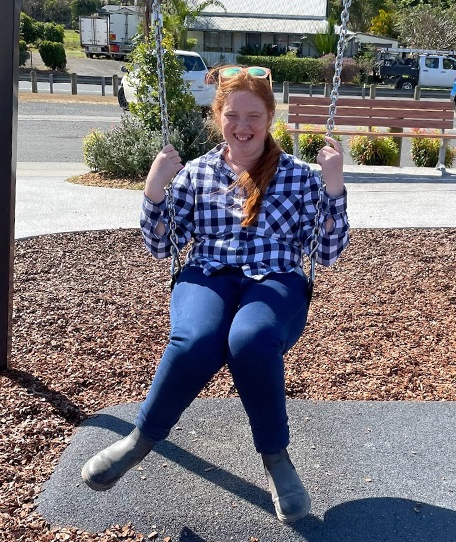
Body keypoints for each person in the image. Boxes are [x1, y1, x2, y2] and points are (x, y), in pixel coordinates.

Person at [81, 66, 350, 524]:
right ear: (217, 116)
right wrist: (154, 188)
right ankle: (140, 439)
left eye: (253, 116)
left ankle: (276, 459)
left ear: (270, 118)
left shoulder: (300, 177)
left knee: (251, 339)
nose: (242, 127)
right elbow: (162, 247)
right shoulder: (198, 173)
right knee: (196, 339)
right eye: (232, 116)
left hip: (276, 279)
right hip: (207, 275)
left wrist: (334, 185)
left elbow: (325, 255)